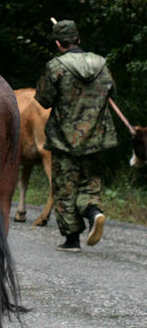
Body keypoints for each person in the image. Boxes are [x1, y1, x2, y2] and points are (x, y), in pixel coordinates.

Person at [34, 18, 117, 252]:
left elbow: (44, 100)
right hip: (96, 138)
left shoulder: (56, 66)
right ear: (79, 40)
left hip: (64, 139)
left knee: (65, 189)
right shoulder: (101, 64)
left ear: (58, 43)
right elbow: (111, 90)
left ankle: (72, 240)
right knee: (90, 184)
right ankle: (94, 212)